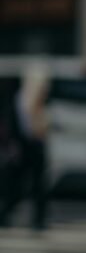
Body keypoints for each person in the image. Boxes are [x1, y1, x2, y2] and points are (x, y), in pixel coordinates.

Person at [0, 63, 51, 231]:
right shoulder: (23, 99)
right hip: (24, 146)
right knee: (17, 184)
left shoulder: (34, 98)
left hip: (34, 147)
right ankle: (6, 214)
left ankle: (38, 219)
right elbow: (20, 125)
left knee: (37, 185)